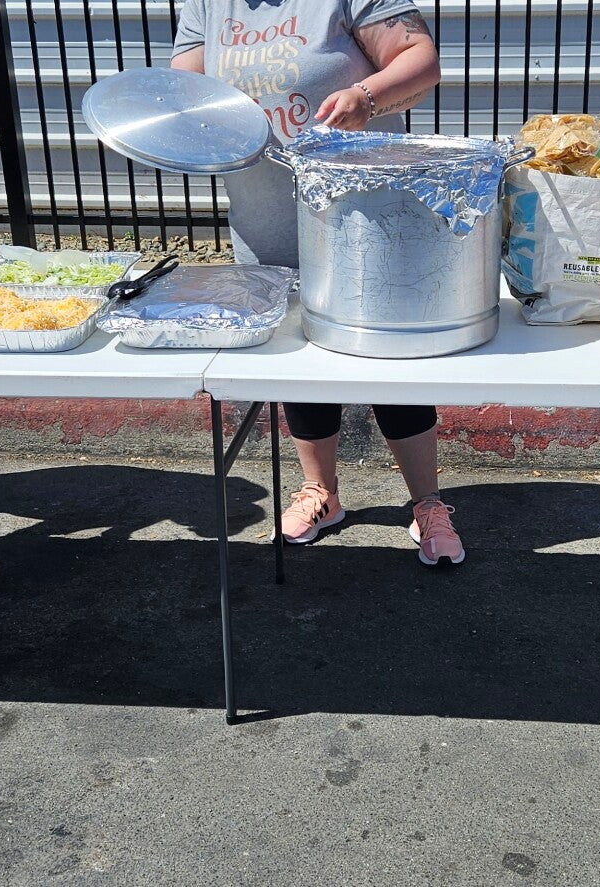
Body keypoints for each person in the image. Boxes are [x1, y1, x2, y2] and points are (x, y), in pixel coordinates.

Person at [172, 0, 461, 565]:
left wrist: (366, 97)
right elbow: (187, 88)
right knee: (299, 364)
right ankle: (321, 493)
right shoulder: (206, 3)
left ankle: (428, 501)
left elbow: (420, 60)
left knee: (389, 361)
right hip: (266, 220)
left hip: (365, 221)